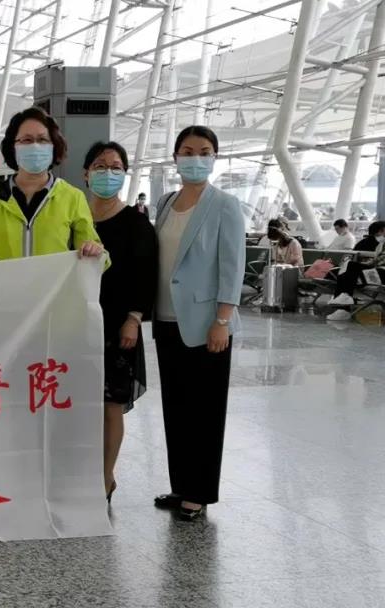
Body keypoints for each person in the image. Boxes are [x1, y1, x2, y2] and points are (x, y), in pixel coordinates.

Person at [152, 126, 245, 522]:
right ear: (176, 157)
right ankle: (181, 484)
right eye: (187, 151)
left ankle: (199, 492)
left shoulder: (224, 204)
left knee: (204, 411)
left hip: (208, 323)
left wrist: (222, 319)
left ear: (214, 157)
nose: (195, 158)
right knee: (176, 408)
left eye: (204, 151)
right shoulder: (165, 202)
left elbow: (232, 266)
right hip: (166, 319)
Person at [83, 141, 158, 503]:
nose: (107, 173)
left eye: (115, 167)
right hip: (76, 322)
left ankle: (105, 477)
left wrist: (134, 319)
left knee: (110, 405)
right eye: (100, 165)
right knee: (78, 402)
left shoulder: (135, 223)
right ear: (86, 174)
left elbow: (146, 275)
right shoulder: (74, 218)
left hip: (117, 325)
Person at [0, 106, 106, 263]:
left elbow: (92, 257)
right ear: (13, 147)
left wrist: (95, 250)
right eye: (27, 140)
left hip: (56, 281)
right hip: (4, 281)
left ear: (54, 146)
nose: (35, 146)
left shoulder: (72, 198)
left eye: (43, 140)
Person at [326, 221, 385, 320]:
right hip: (376, 271)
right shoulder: (380, 245)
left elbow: (381, 260)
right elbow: (377, 260)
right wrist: (367, 263)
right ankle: (344, 301)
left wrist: (369, 263)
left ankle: (343, 306)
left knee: (350, 271)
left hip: (382, 273)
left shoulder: (376, 243)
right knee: (349, 267)